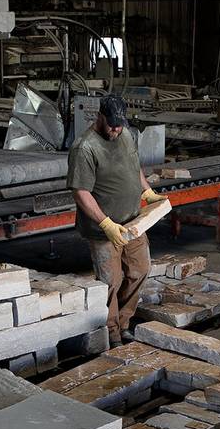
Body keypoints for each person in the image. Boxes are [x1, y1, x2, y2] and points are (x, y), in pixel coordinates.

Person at [67, 95, 168, 346]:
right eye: (112, 124)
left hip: (134, 222)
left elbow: (133, 167)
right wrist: (106, 224)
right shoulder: (85, 147)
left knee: (140, 270)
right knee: (111, 281)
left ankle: (124, 323)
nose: (116, 129)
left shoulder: (125, 134)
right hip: (104, 230)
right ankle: (111, 334)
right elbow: (81, 192)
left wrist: (146, 192)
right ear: (100, 116)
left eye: (120, 124)